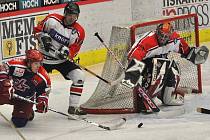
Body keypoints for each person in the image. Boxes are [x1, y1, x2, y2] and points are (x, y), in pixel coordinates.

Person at [121, 22, 209, 112]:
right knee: (158, 64)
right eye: (161, 35)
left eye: (166, 36)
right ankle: (146, 95)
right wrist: (132, 72)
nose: (162, 39)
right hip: (146, 67)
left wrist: (195, 55)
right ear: (157, 32)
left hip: (160, 65)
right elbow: (134, 56)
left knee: (172, 73)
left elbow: (186, 51)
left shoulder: (175, 39)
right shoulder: (148, 40)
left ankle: (167, 92)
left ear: (170, 36)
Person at [33, 2, 86, 115]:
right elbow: (36, 31)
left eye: (75, 15)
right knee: (33, 81)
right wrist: (42, 37)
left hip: (61, 61)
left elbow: (74, 50)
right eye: (70, 14)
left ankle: (73, 108)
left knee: (79, 76)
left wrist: (67, 53)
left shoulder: (79, 32)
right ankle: (29, 107)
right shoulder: (51, 20)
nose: (72, 17)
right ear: (65, 13)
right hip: (43, 59)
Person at [0, 49, 51, 127]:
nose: (38, 66)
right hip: (8, 93)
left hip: (24, 99)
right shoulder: (17, 64)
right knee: (3, 92)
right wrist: (5, 83)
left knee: (19, 123)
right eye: (36, 63)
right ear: (29, 62)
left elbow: (45, 91)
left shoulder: (43, 76)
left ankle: (29, 111)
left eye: (40, 63)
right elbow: (3, 67)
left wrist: (42, 102)